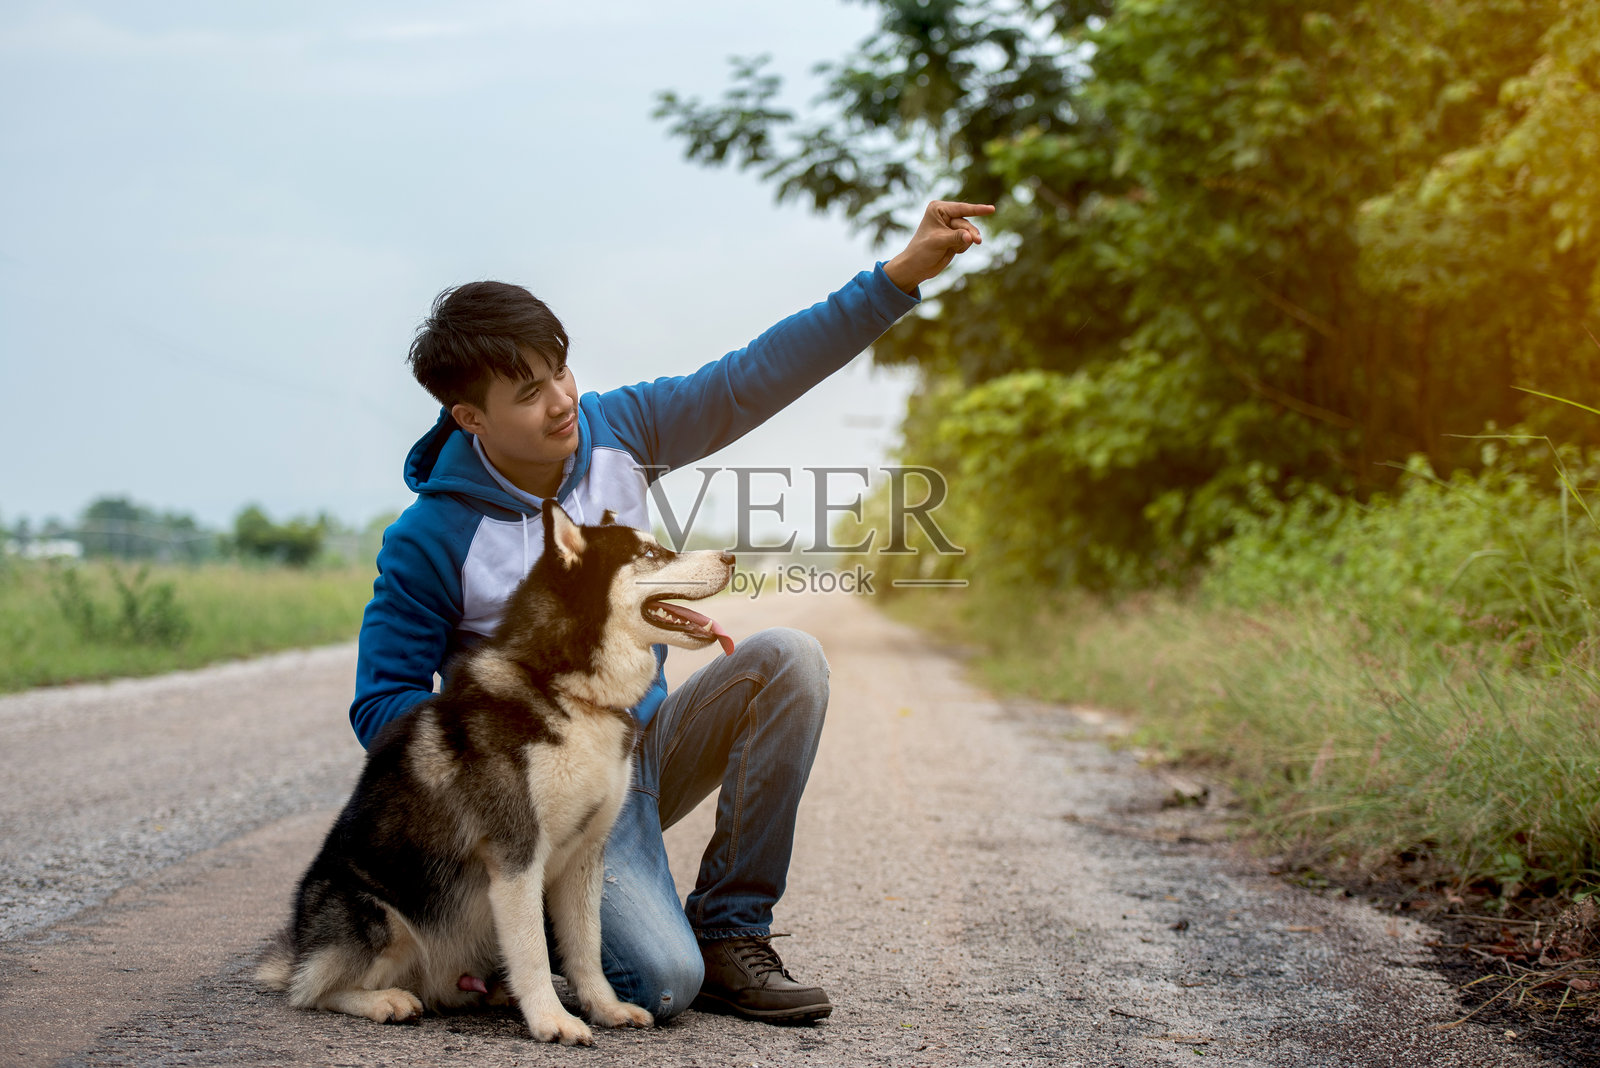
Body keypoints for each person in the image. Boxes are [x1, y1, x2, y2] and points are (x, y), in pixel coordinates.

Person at [349, 200, 994, 1025]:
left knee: (788, 660)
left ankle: (731, 929)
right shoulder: (430, 538)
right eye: (528, 391)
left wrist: (898, 277)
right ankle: (525, 928)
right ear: (470, 417)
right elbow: (382, 704)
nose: (561, 402)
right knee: (657, 983)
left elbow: (753, 375)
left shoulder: (622, 429)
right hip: (546, 797)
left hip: (642, 755)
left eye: (560, 371)